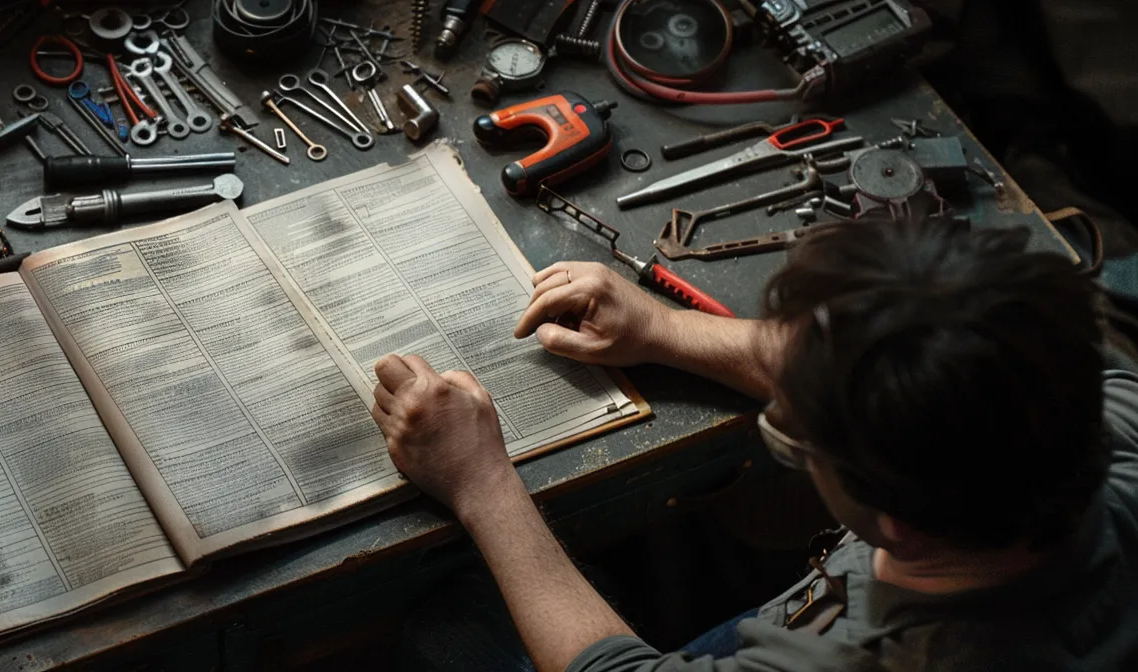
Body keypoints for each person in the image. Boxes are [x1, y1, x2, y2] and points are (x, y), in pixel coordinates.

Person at [372, 219, 1138, 671]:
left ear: (895, 520)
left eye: (793, 424)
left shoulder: (877, 660)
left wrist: (480, 482)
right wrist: (667, 328)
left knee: (454, 630)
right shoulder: (1091, 405)